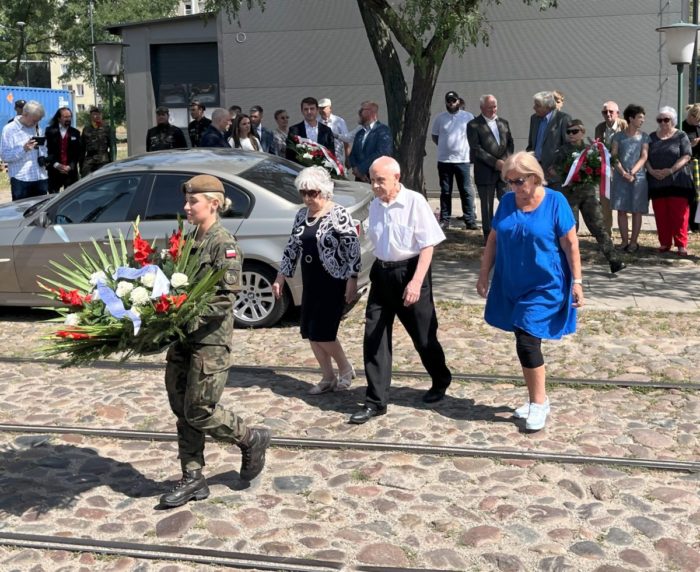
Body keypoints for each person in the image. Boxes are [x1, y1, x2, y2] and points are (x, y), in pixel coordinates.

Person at [161, 174, 270, 508]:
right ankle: (193, 477)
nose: (186, 207)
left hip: (209, 342)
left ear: (213, 203)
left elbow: (226, 298)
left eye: (193, 201)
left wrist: (184, 315)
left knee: (200, 409)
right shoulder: (189, 240)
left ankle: (250, 438)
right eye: (187, 201)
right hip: (183, 339)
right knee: (182, 408)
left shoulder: (224, 244)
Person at [476, 151, 583, 432]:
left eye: (519, 181)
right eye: (509, 182)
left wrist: (578, 282)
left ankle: (539, 403)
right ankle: (537, 398)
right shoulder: (508, 203)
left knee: (527, 340)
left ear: (535, 178)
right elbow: (493, 240)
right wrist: (484, 273)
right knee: (523, 340)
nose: (514, 188)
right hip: (512, 282)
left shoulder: (556, 202)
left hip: (546, 284)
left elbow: (571, 245)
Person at [349, 156, 452, 425]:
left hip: (411, 272)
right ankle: (376, 401)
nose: (375, 186)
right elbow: (371, 244)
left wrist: (416, 282)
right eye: (372, 180)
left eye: (380, 180)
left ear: (397, 177)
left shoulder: (415, 201)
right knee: (374, 337)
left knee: (423, 336)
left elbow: (428, 245)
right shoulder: (375, 206)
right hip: (383, 275)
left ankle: (440, 378)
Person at [272, 166, 360, 394]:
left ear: (324, 191)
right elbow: (292, 247)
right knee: (310, 331)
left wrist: (353, 278)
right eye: (303, 193)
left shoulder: (338, 213)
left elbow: (352, 247)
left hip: (333, 279)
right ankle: (327, 376)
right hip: (310, 279)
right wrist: (281, 276)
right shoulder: (301, 215)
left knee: (324, 331)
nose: (307, 198)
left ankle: (345, 367)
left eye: (312, 193)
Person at [554, 119, 625, 274]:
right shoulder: (562, 151)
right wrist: (566, 172)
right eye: (569, 132)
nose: (571, 135)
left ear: (583, 132)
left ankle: (614, 260)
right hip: (570, 196)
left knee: (599, 228)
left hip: (589, 196)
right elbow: (553, 170)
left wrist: (592, 172)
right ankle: (565, 263)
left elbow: (601, 167)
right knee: (569, 230)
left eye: (575, 131)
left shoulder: (591, 149)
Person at [646, 106, 694, 256]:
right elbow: (644, 156)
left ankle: (681, 245)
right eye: (659, 120)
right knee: (661, 214)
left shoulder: (681, 136)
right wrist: (652, 171)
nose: (662, 122)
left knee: (679, 215)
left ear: (673, 120)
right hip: (657, 181)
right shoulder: (652, 137)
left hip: (678, 180)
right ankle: (665, 243)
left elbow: (686, 155)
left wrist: (671, 170)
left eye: (666, 119)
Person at [467, 94, 514, 241]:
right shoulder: (473, 125)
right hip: (485, 171)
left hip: (503, 171)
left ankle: (508, 231)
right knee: (487, 206)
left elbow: (510, 143)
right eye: (489, 108)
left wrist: (505, 161)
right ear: (481, 108)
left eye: (494, 106)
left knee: (507, 200)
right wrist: (496, 163)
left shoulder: (504, 123)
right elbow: (476, 149)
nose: (493, 110)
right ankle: (489, 237)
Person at [431, 90, 478, 230]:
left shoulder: (468, 117)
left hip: (463, 160)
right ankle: (445, 220)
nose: (451, 103)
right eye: (449, 101)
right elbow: (435, 136)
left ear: (459, 101)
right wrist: (446, 146)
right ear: (446, 102)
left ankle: (470, 220)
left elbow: (474, 135)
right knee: (446, 191)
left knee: (465, 190)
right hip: (444, 161)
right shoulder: (440, 118)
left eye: (454, 101)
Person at [610, 104, 649, 252]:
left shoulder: (644, 136)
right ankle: (624, 241)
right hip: (621, 178)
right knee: (621, 210)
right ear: (631, 118)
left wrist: (632, 172)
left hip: (638, 178)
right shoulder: (618, 136)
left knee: (636, 210)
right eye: (640, 117)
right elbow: (613, 156)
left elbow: (644, 156)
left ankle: (634, 242)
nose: (642, 120)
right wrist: (623, 173)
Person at [0, 100, 49, 201]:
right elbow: (5, 156)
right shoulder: (9, 129)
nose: (36, 123)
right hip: (21, 179)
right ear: (25, 114)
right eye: (34, 120)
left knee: (41, 212)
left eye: (38, 120)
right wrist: (24, 149)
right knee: (22, 213)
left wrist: (44, 154)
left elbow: (44, 148)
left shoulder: (38, 128)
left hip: (40, 177)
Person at [594, 101, 628, 235]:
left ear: (617, 113)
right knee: (605, 204)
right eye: (604, 112)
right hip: (605, 170)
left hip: (622, 169)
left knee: (623, 205)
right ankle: (608, 235)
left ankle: (625, 236)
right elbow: (598, 147)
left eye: (611, 112)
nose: (607, 114)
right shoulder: (599, 128)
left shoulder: (624, 125)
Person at [526, 91, 571, 189]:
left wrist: (557, 167)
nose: (534, 108)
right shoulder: (534, 119)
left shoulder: (563, 119)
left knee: (553, 202)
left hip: (553, 173)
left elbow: (568, 146)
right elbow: (531, 144)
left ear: (548, 107)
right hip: (536, 170)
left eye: (537, 105)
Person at [347, 101, 393, 182]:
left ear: (371, 112)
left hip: (376, 178)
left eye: (361, 110)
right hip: (360, 179)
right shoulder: (360, 133)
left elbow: (383, 153)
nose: (359, 113)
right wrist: (356, 169)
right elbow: (353, 154)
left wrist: (361, 169)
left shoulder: (383, 130)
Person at [286, 97, 335, 163]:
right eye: (306, 109)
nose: (309, 112)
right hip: (301, 170)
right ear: (302, 111)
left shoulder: (327, 130)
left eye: (312, 109)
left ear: (317, 110)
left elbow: (331, 154)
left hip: (322, 171)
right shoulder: (294, 130)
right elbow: (290, 155)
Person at [45, 106, 81, 193]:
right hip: (54, 170)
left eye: (69, 117)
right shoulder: (49, 131)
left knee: (72, 197)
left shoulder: (75, 133)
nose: (68, 119)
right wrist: (56, 165)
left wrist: (70, 166)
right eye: (65, 117)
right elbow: (46, 150)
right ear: (59, 118)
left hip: (70, 171)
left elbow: (78, 152)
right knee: (53, 198)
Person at [681, 103, 700, 231]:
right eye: (698, 120)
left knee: (698, 196)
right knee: (691, 195)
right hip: (689, 165)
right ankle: (689, 224)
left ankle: (697, 225)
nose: (699, 122)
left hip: (699, 164)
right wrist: (691, 144)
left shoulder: (698, 126)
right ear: (692, 116)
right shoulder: (682, 127)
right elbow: (679, 147)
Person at [80, 107, 113, 175]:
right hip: (90, 160)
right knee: (86, 179)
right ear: (91, 116)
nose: (97, 116)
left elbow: (112, 147)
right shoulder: (86, 129)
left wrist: (112, 162)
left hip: (103, 160)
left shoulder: (107, 128)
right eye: (95, 114)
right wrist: (81, 165)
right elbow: (82, 148)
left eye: (99, 114)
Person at [318, 98, 350, 166]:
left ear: (330, 108)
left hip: (337, 158)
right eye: (320, 108)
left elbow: (346, 141)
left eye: (323, 108)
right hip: (320, 159)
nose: (321, 110)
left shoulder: (339, 121)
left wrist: (348, 159)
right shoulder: (316, 122)